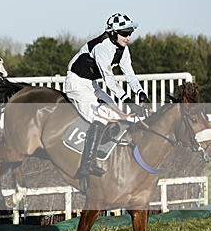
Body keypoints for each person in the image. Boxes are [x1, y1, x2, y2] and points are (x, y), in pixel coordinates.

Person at [64, 13, 149, 178]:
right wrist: (129, 102)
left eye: (130, 33)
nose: (128, 37)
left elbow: (129, 75)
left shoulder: (123, 49)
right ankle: (86, 164)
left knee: (118, 115)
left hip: (92, 85)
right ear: (112, 33)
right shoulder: (102, 47)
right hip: (76, 84)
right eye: (124, 33)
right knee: (102, 117)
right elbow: (109, 81)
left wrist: (141, 93)